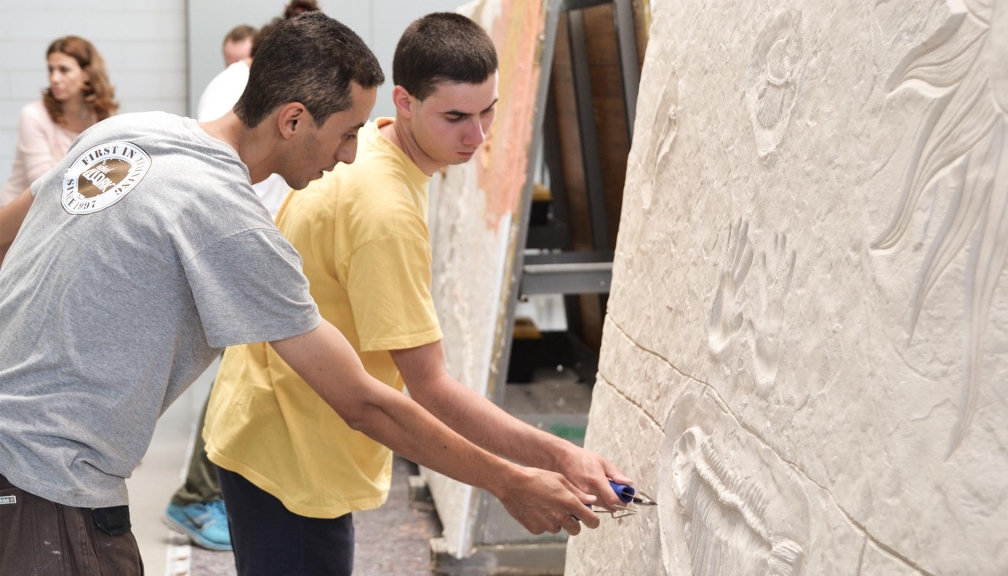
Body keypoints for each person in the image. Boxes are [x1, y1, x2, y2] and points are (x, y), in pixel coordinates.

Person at [0, 13, 601, 575]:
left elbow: (8, 228)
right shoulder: (230, 221)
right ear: (291, 120)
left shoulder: (131, 131)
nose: (350, 154)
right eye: (345, 133)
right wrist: (512, 481)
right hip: (47, 485)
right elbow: (364, 402)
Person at [203, 13, 630, 576]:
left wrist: (552, 460)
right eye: (455, 117)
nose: (477, 136)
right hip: (294, 458)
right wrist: (549, 461)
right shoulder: (384, 210)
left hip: (270, 426)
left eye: (487, 111)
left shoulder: (374, 148)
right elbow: (430, 388)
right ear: (403, 101)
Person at [162, 13, 312, 551]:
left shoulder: (252, 87)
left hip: (255, 245)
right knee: (238, 377)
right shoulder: (236, 87)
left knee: (240, 374)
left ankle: (203, 494)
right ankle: (197, 496)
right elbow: (224, 170)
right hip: (242, 248)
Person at [0, 36, 117, 207]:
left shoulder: (100, 117)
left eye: (64, 70)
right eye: (51, 69)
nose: (54, 78)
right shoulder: (33, 115)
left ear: (86, 74)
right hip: (20, 218)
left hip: (65, 213)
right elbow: (43, 184)